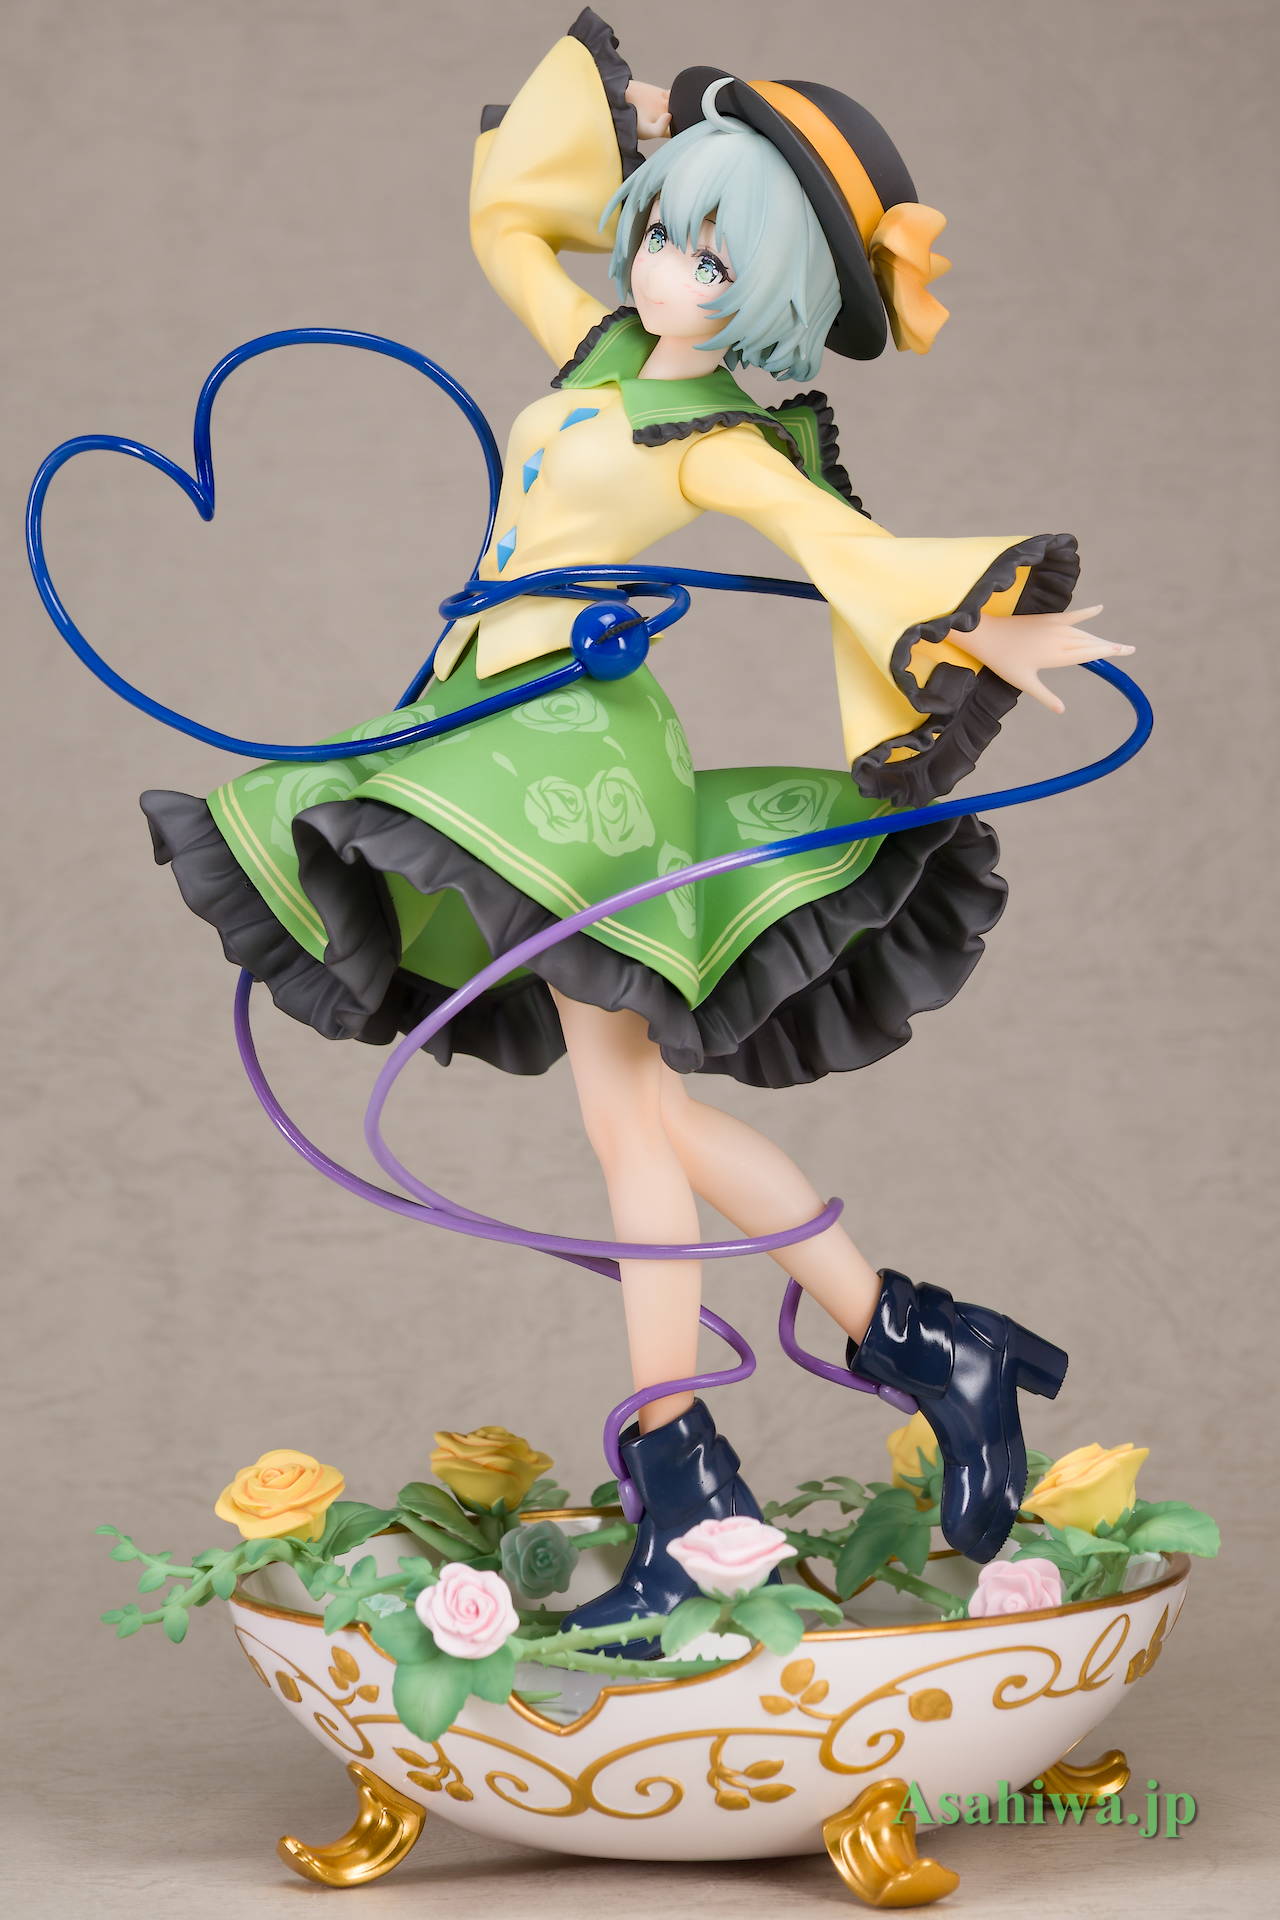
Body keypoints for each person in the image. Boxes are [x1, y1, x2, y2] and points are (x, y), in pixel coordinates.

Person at [140, 11, 1133, 1648]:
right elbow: (507, 225)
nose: (668, 266)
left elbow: (835, 547)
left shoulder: (723, 442)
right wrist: (669, 115)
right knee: (637, 1115)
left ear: (777, 297)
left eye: (715, 256)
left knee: (627, 1120)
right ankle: (902, 1351)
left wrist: (985, 623)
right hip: (484, 725)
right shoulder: (596, 347)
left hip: (575, 767)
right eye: (665, 226)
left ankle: (700, 1482)